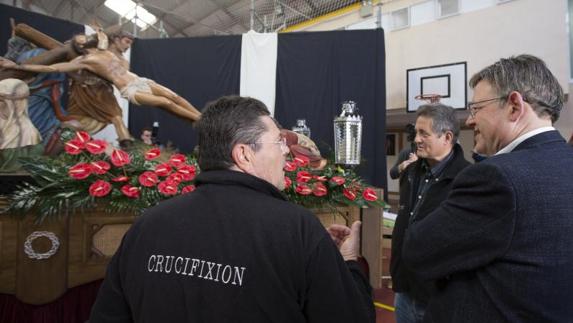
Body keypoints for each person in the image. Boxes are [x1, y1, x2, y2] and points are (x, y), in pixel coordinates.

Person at [89, 96, 375, 322]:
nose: (286, 151)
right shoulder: (297, 229)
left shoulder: (146, 225)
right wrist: (348, 262)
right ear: (244, 154)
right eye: (278, 142)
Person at [402, 55, 573, 322]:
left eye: (476, 108)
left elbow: (418, 250)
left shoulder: (497, 176)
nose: (469, 122)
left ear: (514, 106)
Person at [0, 31, 201, 124]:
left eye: (84, 37)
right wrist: (17, 65)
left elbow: (103, 34)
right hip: (130, 90)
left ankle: (201, 117)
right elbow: (52, 67)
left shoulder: (104, 49)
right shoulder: (85, 61)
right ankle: (202, 122)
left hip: (141, 80)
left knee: (175, 97)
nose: (83, 39)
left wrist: (103, 31)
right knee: (164, 101)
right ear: (79, 47)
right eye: (80, 40)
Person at [390, 104, 470, 323]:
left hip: (438, 293)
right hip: (404, 287)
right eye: (416, 132)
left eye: (423, 133)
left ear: (447, 137)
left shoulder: (468, 178)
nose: (416, 139)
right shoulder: (410, 171)